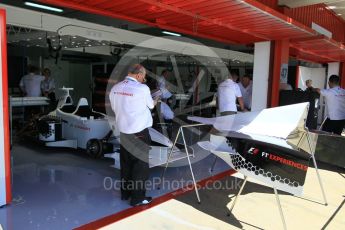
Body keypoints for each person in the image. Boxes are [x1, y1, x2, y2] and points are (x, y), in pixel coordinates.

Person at [109, 64, 158, 206]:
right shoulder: (143, 89)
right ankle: (137, 198)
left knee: (126, 164)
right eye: (144, 76)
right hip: (139, 133)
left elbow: (115, 108)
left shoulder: (115, 88)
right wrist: (156, 99)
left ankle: (126, 193)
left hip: (124, 132)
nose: (144, 79)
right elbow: (151, 105)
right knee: (140, 166)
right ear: (138, 75)